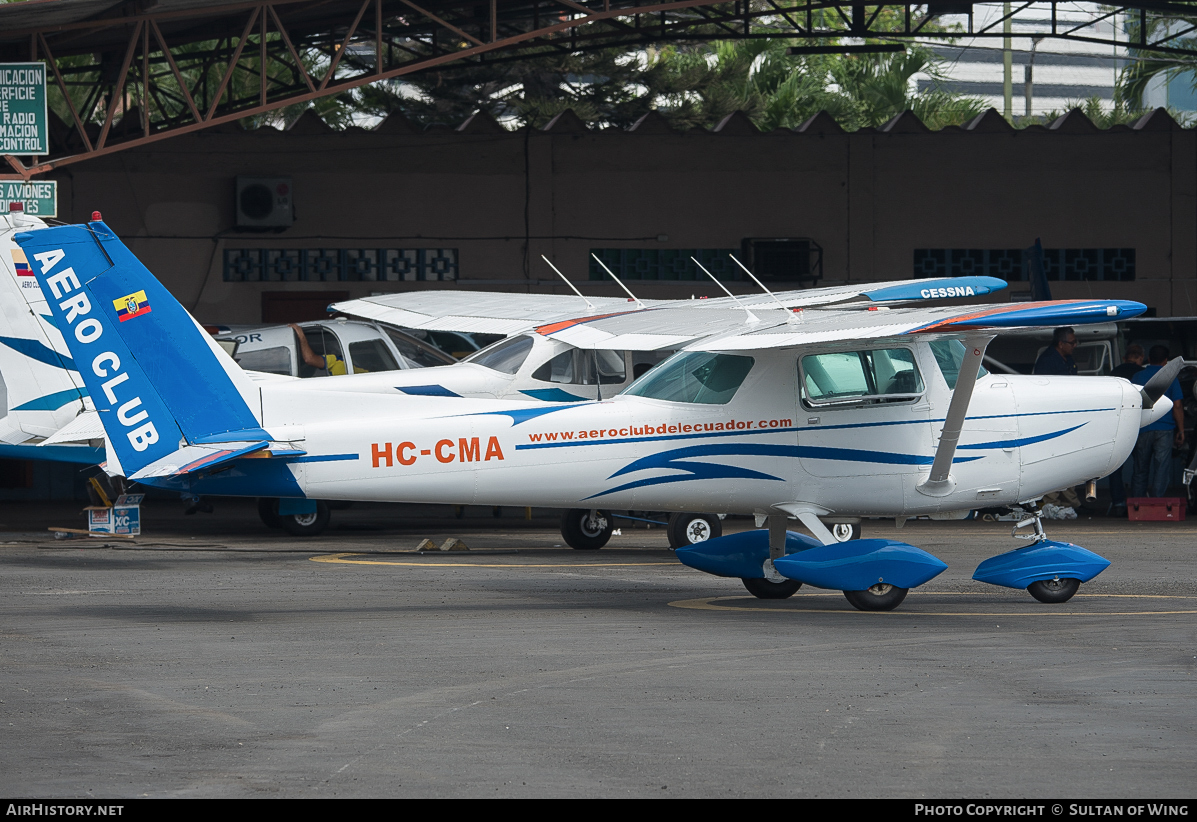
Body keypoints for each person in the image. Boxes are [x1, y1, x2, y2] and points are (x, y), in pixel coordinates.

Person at [1129, 345, 1185, 498]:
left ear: (1148, 359)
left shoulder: (1137, 377)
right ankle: (1156, 502)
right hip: (1164, 429)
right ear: (1166, 361)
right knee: (1161, 468)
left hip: (1142, 428)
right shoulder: (1170, 378)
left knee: (1140, 468)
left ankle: (1137, 503)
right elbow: (1178, 406)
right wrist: (1181, 430)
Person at [1107, 344, 1145, 515]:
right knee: (1141, 466)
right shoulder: (1143, 375)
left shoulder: (1114, 374)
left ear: (1125, 357)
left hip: (1117, 425)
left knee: (1114, 467)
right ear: (1141, 358)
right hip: (1140, 424)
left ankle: (1118, 502)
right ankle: (1139, 503)